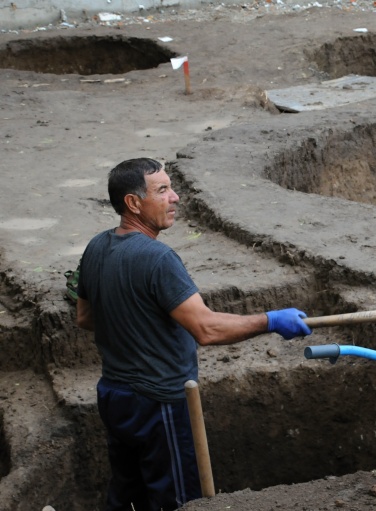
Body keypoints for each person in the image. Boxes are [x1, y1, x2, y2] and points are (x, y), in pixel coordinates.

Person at [75, 157, 312, 511]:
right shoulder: (157, 259)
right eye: (163, 190)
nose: (176, 197)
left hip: (114, 396)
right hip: (159, 402)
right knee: (178, 500)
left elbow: (85, 317)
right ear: (133, 203)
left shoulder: (95, 247)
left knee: (127, 496)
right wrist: (271, 320)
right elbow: (206, 328)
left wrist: (134, 323)